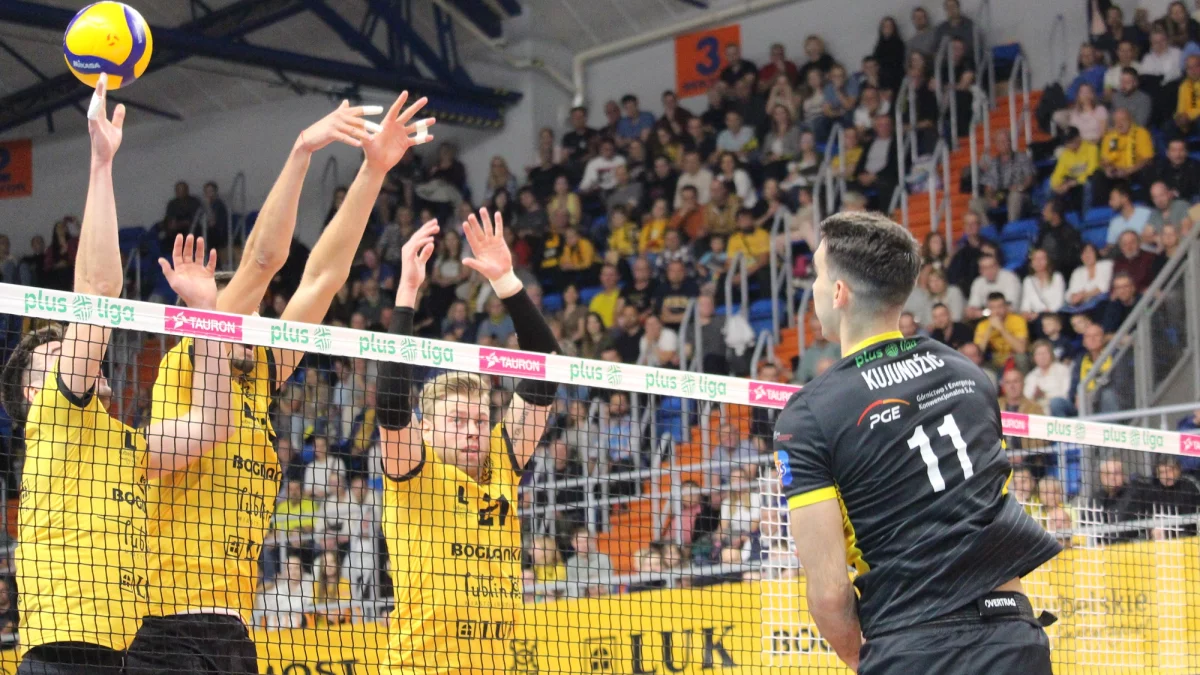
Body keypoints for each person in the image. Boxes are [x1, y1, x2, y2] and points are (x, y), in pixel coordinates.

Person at [127, 93, 434, 675]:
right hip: (165, 625)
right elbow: (264, 260)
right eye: (244, 316)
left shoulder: (261, 377)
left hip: (234, 628)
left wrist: (373, 170)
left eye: (259, 318)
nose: (259, 323)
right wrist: (301, 151)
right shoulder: (194, 360)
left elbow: (323, 277)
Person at [0, 78, 236, 675]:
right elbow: (98, 290)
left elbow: (212, 424)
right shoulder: (56, 415)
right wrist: (101, 164)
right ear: (34, 389)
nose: (77, 354)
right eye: (57, 352)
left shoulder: (124, 445)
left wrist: (206, 316)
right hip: (60, 656)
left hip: (121, 656)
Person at [775, 211, 1060, 674]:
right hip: (1012, 633)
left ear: (840, 292)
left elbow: (829, 591)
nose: (814, 289)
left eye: (819, 276)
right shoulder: (969, 374)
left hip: (912, 641)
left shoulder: (808, 414)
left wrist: (869, 659)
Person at [374, 208, 556, 673]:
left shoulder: (502, 460)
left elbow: (547, 368)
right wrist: (408, 292)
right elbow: (391, 406)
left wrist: (507, 283)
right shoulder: (412, 471)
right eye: (458, 420)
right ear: (426, 428)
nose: (474, 430)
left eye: (479, 420)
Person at [975, 130, 1036, 224]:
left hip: (1019, 193)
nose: (1002, 144)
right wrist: (990, 198)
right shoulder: (993, 163)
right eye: (999, 142)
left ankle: (1012, 227)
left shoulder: (1022, 157)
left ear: (1010, 142)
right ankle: (988, 229)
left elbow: (1030, 178)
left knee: (1014, 196)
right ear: (996, 145)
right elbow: (988, 187)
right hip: (1000, 195)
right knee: (975, 203)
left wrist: (1020, 187)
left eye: (1005, 141)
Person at [974, 292, 1031, 371]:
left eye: (1000, 307)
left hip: (1014, 359)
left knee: (1021, 358)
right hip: (994, 361)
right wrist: (989, 328)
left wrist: (1002, 329)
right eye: (992, 308)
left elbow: (1021, 349)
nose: (996, 311)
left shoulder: (1017, 320)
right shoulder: (982, 325)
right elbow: (978, 353)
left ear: (1006, 307)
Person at [1048, 127, 1098, 213]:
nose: (1068, 144)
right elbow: (1057, 174)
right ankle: (1053, 216)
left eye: (1070, 140)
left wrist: (1075, 182)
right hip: (1069, 181)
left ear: (1078, 138)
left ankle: (1086, 216)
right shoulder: (1065, 154)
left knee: (1087, 185)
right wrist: (1057, 186)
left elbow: (1092, 170)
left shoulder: (1091, 148)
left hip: (1087, 180)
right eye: (1067, 141)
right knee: (1048, 187)